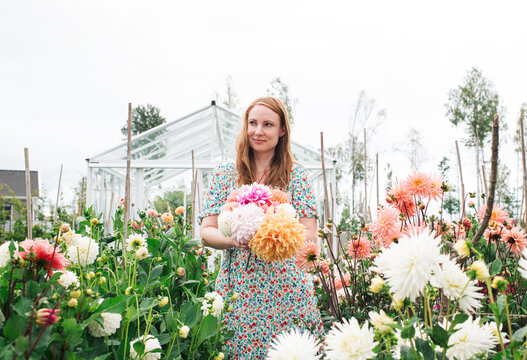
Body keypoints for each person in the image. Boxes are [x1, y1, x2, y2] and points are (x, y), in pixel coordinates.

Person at [199, 97, 324, 359]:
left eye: (268, 124)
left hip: (287, 287)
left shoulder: (296, 175)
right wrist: (234, 240)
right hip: (240, 288)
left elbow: (310, 235)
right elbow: (207, 232)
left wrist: (276, 232)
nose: (258, 131)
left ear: (282, 131)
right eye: (253, 123)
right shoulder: (224, 174)